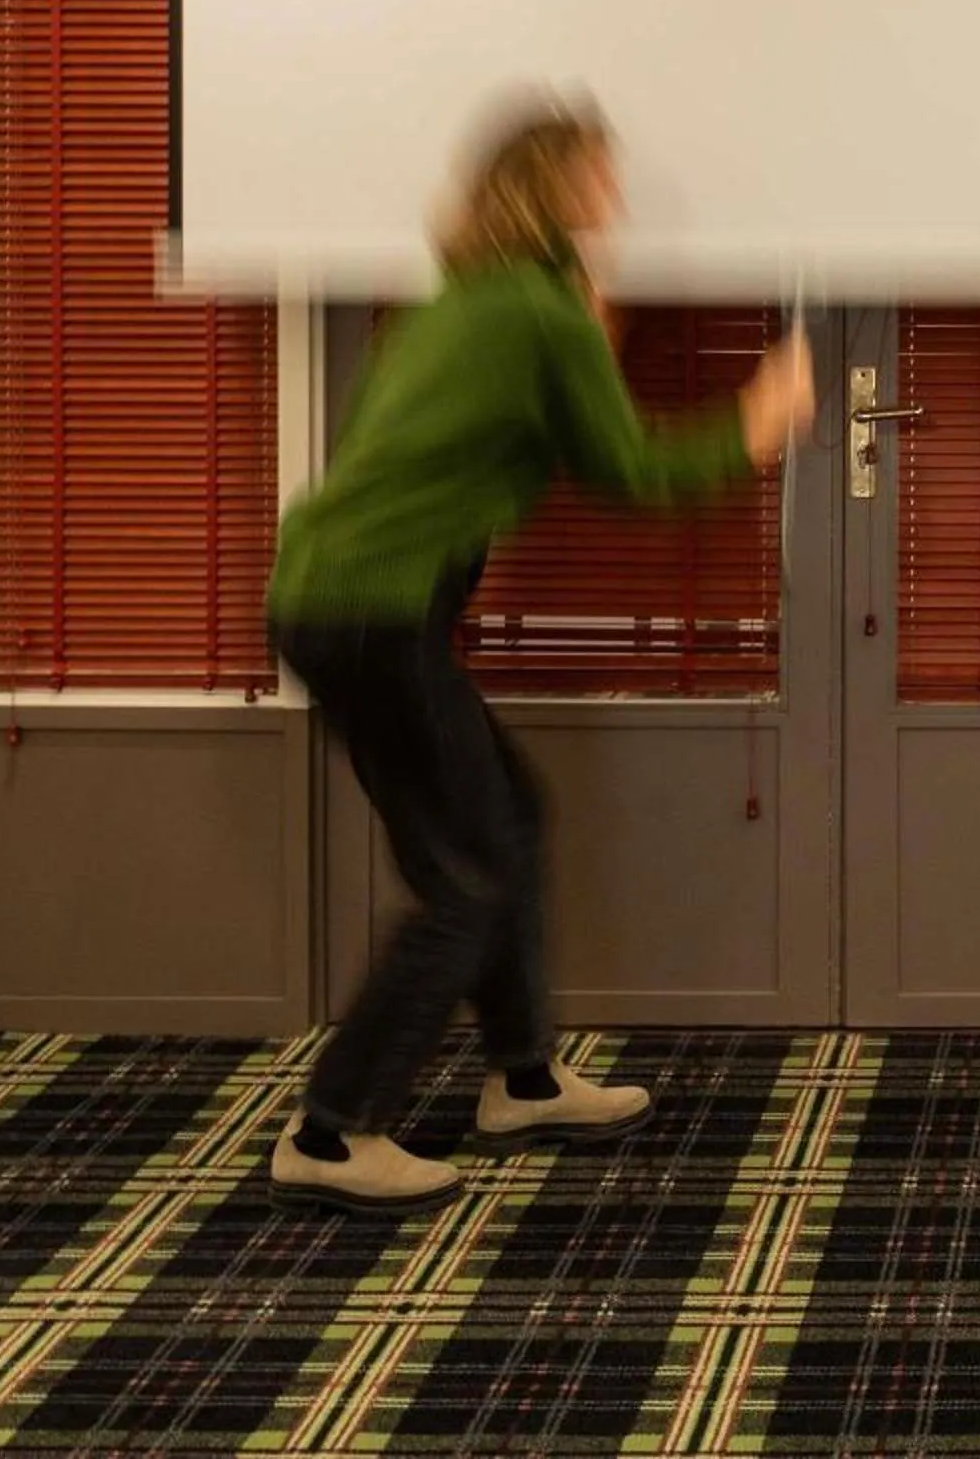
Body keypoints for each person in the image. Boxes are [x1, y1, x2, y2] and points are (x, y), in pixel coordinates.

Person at [263, 89, 813, 1213]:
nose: (617, 201)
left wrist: (589, 339)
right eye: (602, 180)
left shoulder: (462, 300)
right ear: (558, 189)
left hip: (337, 600)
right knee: (465, 874)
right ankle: (331, 1133)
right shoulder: (534, 312)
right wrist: (759, 415)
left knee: (505, 817)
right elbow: (634, 474)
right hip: (371, 611)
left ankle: (521, 1079)